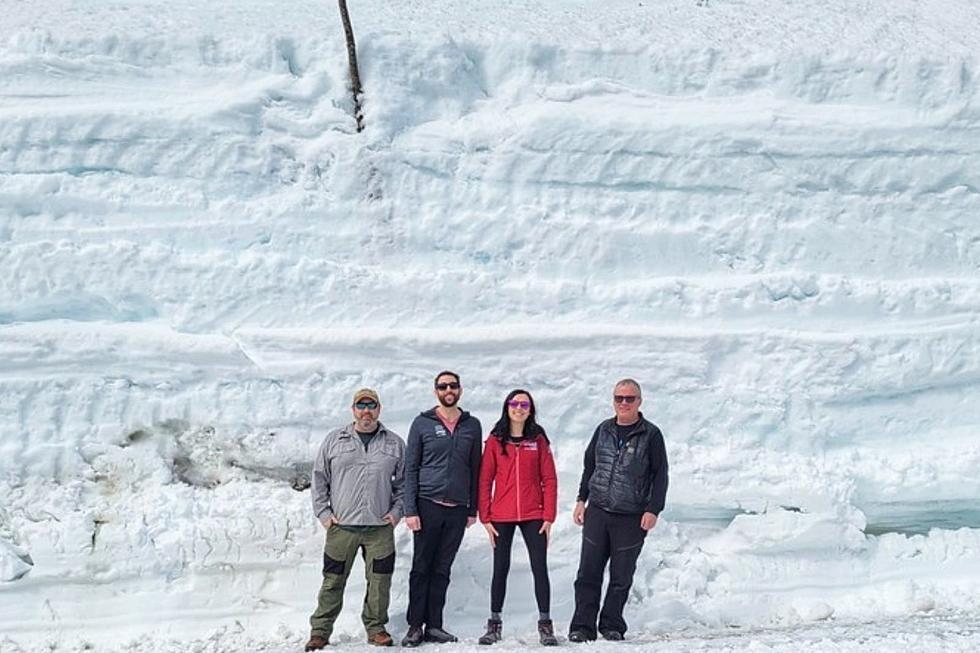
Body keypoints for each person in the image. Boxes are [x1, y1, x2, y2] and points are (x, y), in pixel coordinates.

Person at [568, 379, 669, 643]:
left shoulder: (651, 434)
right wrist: (581, 500)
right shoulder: (603, 429)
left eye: (630, 398)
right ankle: (582, 626)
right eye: (619, 398)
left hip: (631, 515)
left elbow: (660, 475)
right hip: (598, 511)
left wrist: (653, 509)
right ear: (613, 400)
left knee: (621, 576)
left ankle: (612, 625)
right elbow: (589, 466)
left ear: (640, 401)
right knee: (587, 573)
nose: (624, 403)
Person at [305, 388, 406, 650]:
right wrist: (324, 514)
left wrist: (396, 514)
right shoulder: (334, 440)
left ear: (379, 409)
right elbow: (319, 479)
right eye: (361, 405)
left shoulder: (394, 443)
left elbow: (405, 485)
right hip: (342, 528)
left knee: (380, 582)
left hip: (379, 529)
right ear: (353, 410)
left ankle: (376, 628)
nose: (366, 411)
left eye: (371, 405)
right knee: (333, 580)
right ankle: (320, 631)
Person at [401, 371, 483, 647]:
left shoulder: (472, 425)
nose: (448, 389)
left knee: (442, 568)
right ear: (435, 391)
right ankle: (414, 626)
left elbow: (475, 469)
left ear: (460, 389)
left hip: (457, 508)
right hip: (427, 504)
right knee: (421, 566)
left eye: (453, 385)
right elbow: (410, 468)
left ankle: (434, 625)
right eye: (443, 386)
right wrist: (410, 509)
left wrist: (473, 508)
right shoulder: (422, 423)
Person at [477, 389, 559, 646]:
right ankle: (494, 625)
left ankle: (545, 625)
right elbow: (484, 479)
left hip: (534, 514)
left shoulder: (538, 439)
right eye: (514, 403)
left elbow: (550, 478)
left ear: (530, 409)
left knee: (539, 567)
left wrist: (549, 516)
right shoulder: (494, 440)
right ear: (507, 407)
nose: (519, 408)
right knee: (500, 568)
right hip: (501, 514)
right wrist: (485, 517)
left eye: (525, 404)